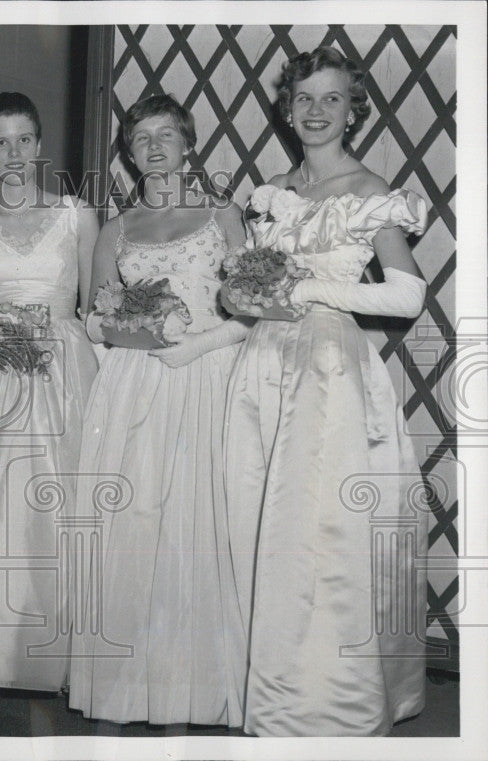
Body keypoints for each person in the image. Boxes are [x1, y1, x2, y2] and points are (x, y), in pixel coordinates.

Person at [224, 46, 429, 736]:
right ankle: (263, 684)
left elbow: (407, 294)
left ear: (353, 110)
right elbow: (253, 290)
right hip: (265, 365)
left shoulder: (371, 191)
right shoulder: (272, 192)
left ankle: (320, 698)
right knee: (257, 516)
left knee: (317, 529)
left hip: (330, 371)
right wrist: (244, 293)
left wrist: (313, 288)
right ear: (288, 108)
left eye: (331, 98)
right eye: (304, 98)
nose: (315, 111)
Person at [67, 94, 249, 727]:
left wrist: (197, 344)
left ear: (187, 143)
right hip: (132, 385)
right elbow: (92, 320)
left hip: (209, 376)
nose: (153, 147)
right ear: (128, 151)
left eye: (165, 135)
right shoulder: (116, 231)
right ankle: (129, 684)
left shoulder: (222, 215)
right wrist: (140, 333)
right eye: (140, 138)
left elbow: (252, 307)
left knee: (202, 521)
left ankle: (201, 685)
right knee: (136, 522)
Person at [0, 92, 100, 695]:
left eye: (24, 139)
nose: (13, 152)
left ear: (39, 145)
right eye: (0, 142)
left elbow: (94, 308)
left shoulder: (76, 216)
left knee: (63, 497)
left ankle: (65, 656)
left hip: (65, 365)